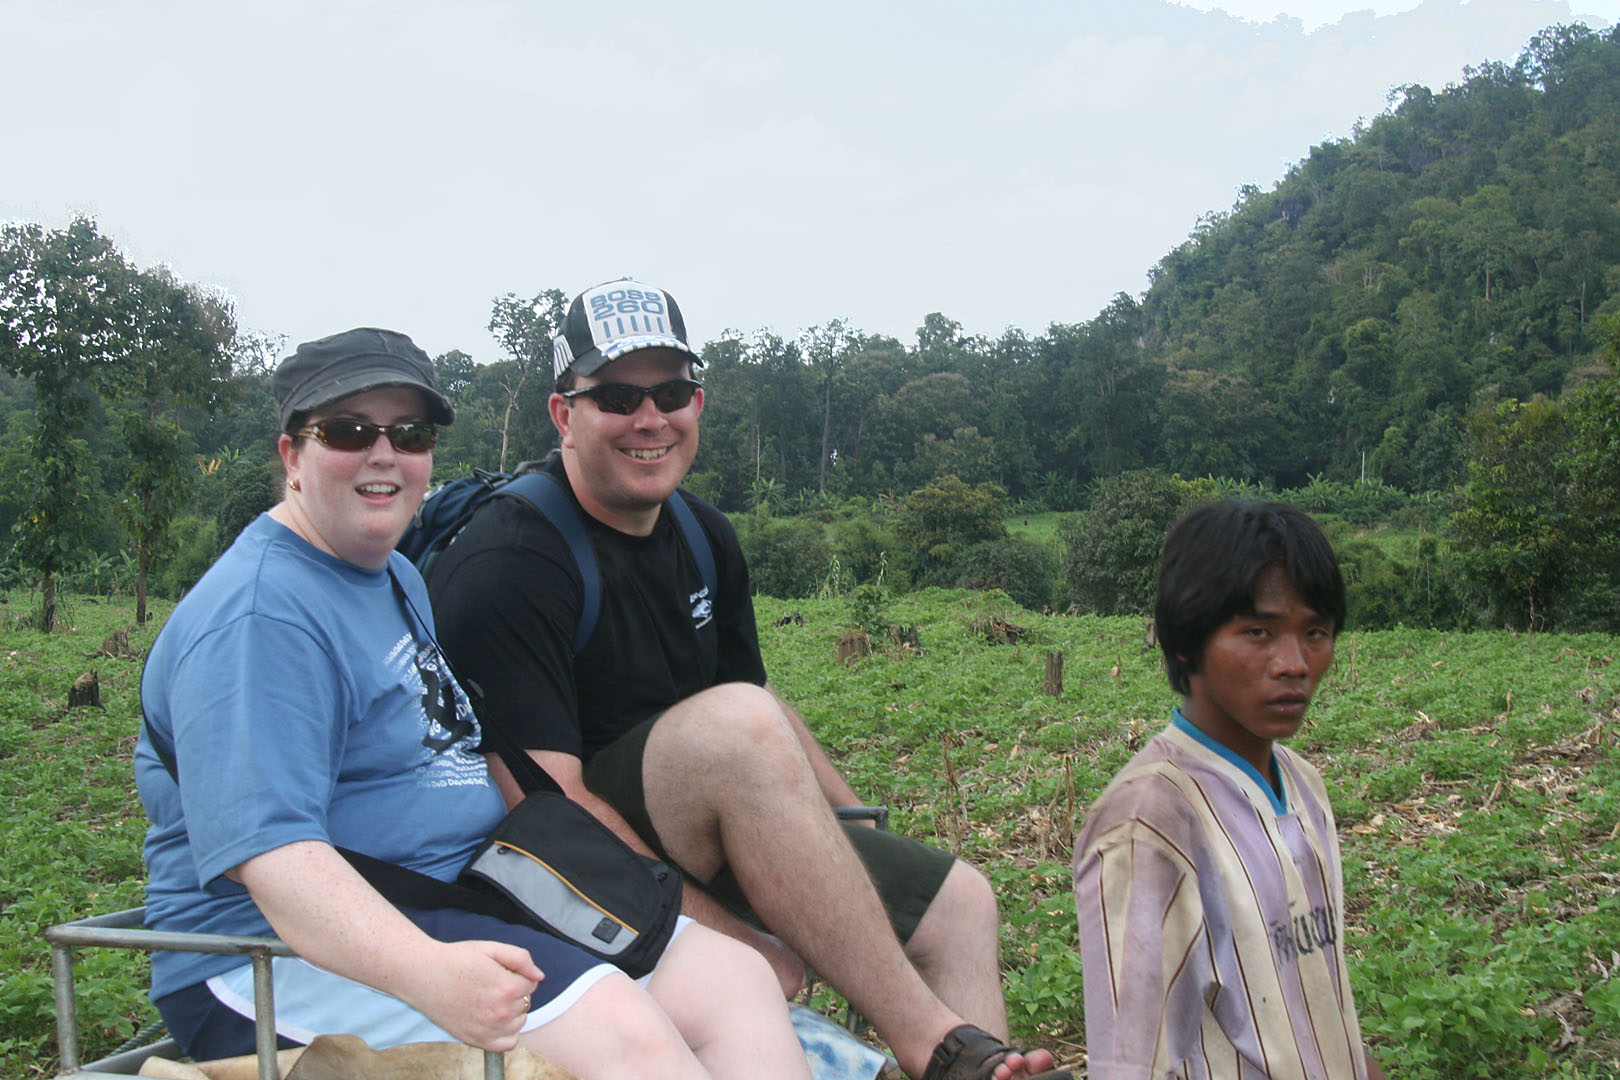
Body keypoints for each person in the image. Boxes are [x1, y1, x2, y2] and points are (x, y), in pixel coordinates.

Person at [427, 278, 1070, 1080]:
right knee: (734, 726)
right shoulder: (512, 559)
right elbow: (544, 808)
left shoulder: (703, 535)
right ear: (565, 414)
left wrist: (854, 841)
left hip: (698, 816)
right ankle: (936, 1043)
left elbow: (765, 702)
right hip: (560, 865)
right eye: (618, 396)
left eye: (672, 391)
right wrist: (721, 937)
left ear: (699, 401)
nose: (650, 418)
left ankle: (970, 1060)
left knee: (957, 903)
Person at [134, 327, 811, 1080]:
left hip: (458, 893)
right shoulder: (263, 618)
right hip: (273, 958)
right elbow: (278, 862)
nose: (384, 454)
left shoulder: (391, 574)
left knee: (734, 979)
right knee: (628, 1036)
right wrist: (428, 970)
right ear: (294, 454)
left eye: (411, 434)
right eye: (350, 432)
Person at [1072, 499, 1389, 1080]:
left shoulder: (1303, 784)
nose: (1293, 663)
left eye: (1315, 632)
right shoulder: (1148, 823)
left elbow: (1324, 1009)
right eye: (1258, 633)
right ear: (1188, 641)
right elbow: (1130, 1062)